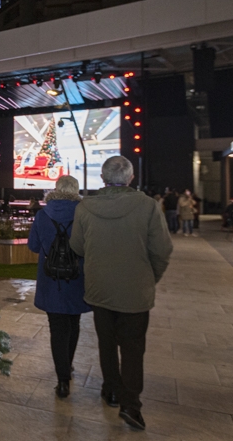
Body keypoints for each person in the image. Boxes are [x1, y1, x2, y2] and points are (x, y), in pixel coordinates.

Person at [70, 156, 173, 431]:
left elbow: (77, 247)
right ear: (130, 179)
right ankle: (131, 404)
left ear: (102, 179)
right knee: (133, 348)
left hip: (99, 290)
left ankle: (112, 391)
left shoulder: (85, 207)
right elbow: (162, 251)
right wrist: (149, 279)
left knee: (106, 343)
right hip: (135, 293)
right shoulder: (148, 206)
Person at [27, 176, 89, 398]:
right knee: (74, 324)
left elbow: (34, 246)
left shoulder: (43, 214)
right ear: (76, 190)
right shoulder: (83, 214)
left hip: (51, 282)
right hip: (77, 280)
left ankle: (62, 380)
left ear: (55, 189)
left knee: (57, 329)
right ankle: (68, 367)